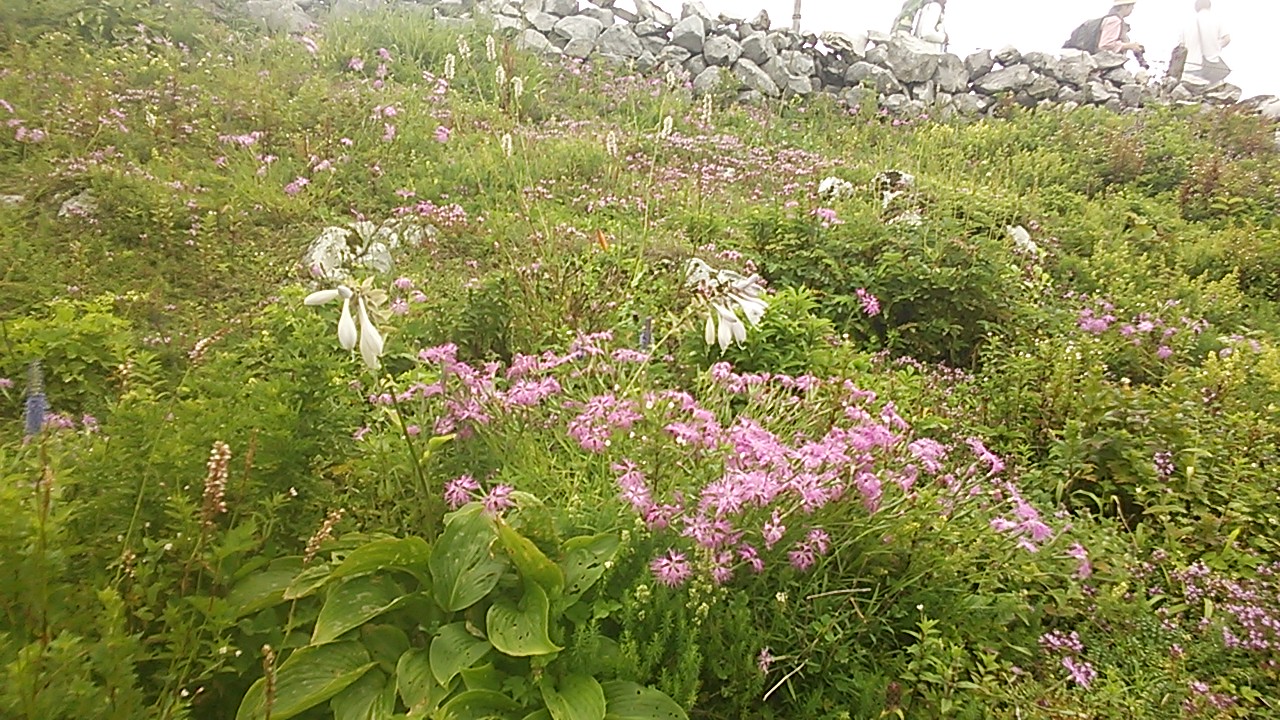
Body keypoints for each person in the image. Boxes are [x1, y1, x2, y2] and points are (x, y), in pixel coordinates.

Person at [1179, 0, 1231, 84]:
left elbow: (1181, 46)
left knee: (1190, 95)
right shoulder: (1216, 20)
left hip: (1190, 68)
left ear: (1196, 8)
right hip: (1212, 68)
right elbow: (1227, 39)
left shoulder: (1187, 23)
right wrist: (1217, 46)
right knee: (1215, 94)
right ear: (1209, 6)